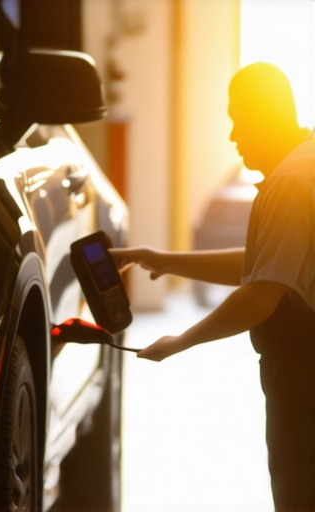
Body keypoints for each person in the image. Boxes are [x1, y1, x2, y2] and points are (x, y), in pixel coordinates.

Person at [110, 62, 315, 511]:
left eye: (239, 121)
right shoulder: (307, 159)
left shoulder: (289, 183)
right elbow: (271, 264)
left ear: (266, 118)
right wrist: (164, 260)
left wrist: (181, 341)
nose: (233, 136)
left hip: (305, 378)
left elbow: (263, 292)